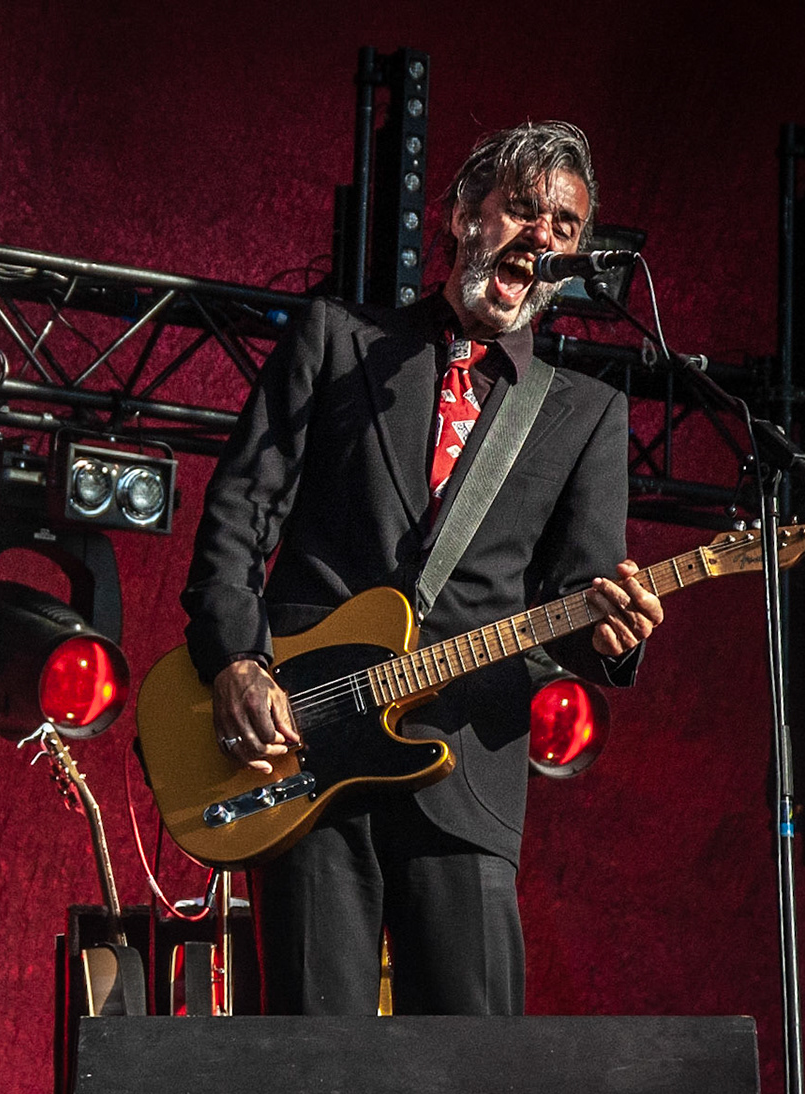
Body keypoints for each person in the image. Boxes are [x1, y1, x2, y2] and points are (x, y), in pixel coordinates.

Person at [180, 121, 663, 1017]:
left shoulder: (585, 413)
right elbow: (239, 514)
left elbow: (578, 595)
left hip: (465, 767)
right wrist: (236, 660)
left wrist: (614, 634)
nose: (541, 238)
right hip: (307, 748)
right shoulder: (337, 339)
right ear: (462, 216)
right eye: (521, 209)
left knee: (476, 1085)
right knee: (320, 1062)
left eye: (565, 226)